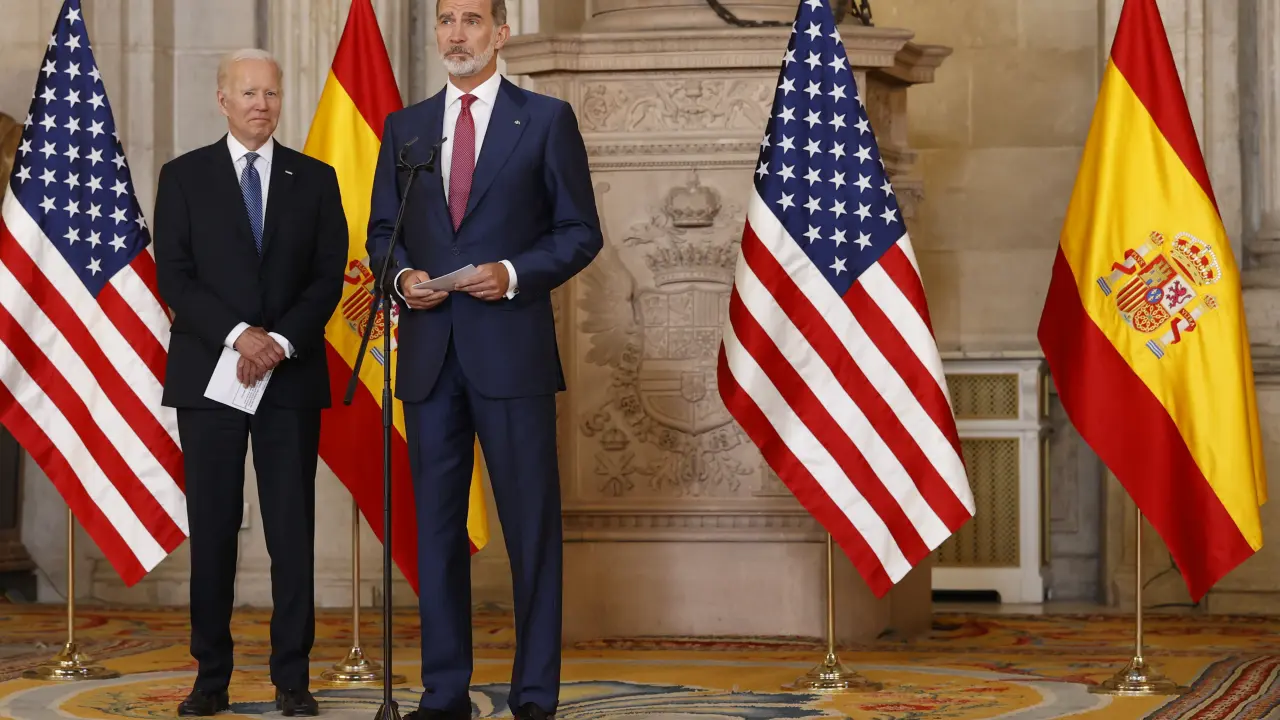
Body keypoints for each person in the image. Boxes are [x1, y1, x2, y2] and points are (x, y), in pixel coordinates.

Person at [366, 1, 603, 718]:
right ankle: (443, 693)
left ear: (500, 33)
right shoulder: (405, 127)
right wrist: (402, 279)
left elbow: (579, 232)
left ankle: (534, 696)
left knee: (530, 530)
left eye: (472, 19)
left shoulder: (546, 120)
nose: (456, 33)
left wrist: (512, 272)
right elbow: (383, 232)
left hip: (512, 356)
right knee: (436, 533)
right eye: (446, 20)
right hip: (429, 358)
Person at [153, 48, 348, 717]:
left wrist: (280, 343)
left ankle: (292, 678)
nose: (261, 104)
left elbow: (328, 275)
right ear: (223, 99)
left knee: (291, 531)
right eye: (248, 93)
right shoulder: (183, 176)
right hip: (210, 377)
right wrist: (241, 336)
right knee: (213, 529)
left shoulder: (315, 178)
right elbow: (175, 275)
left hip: (289, 378)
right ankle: (211, 679)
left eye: (271, 93)